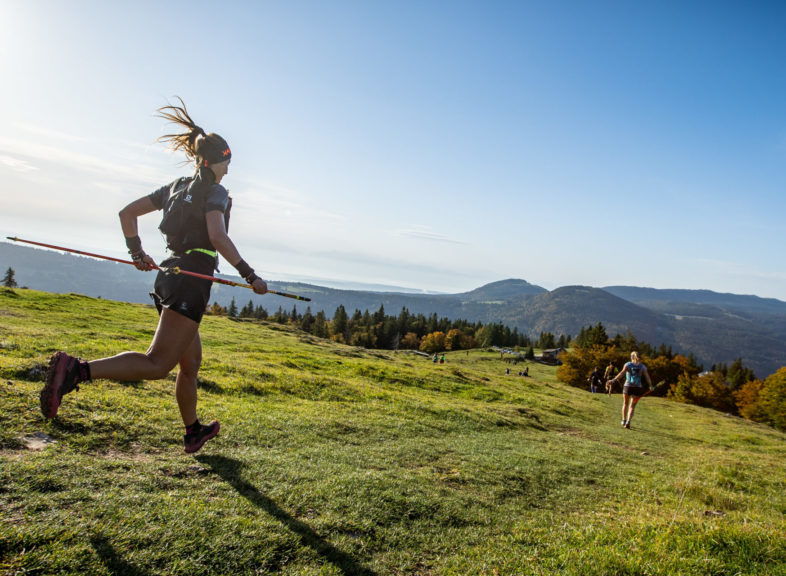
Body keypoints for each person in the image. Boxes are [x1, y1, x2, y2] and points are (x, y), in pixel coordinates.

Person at [40, 98, 268, 454]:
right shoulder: (216, 191)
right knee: (157, 364)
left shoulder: (175, 187)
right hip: (191, 282)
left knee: (189, 363)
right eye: (227, 160)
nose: (229, 167)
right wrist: (250, 274)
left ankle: (193, 431)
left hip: (169, 275)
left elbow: (127, 213)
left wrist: (137, 253)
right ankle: (76, 370)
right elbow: (217, 236)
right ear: (215, 160)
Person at [607, 351, 652, 429]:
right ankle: (628, 421)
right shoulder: (642, 367)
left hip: (627, 386)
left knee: (625, 403)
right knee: (632, 406)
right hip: (637, 388)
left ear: (631, 357)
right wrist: (651, 385)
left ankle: (623, 420)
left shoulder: (628, 364)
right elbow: (647, 377)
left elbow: (622, 373)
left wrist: (613, 380)